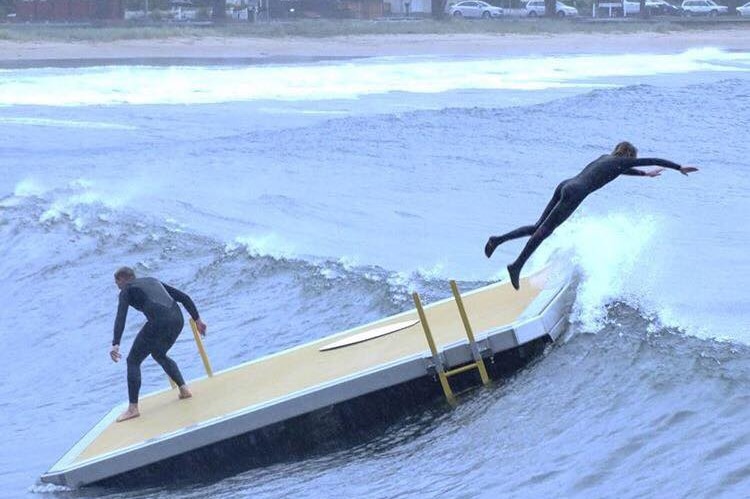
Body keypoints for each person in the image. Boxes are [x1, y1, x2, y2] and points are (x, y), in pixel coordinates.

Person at [484, 141, 699, 290]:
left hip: (565, 185)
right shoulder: (622, 162)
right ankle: (517, 266)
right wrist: (678, 167)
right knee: (545, 231)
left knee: (537, 227)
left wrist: (644, 174)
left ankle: (497, 240)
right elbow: (650, 159)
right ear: (629, 156)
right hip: (575, 192)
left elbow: (620, 170)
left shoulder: (606, 158)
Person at [110, 266, 207, 422]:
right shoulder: (152, 280)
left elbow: (121, 316)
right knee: (159, 353)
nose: (117, 286)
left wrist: (116, 344)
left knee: (133, 361)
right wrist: (197, 320)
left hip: (159, 322)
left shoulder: (126, 290)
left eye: (117, 282)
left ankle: (133, 408)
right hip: (177, 320)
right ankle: (184, 389)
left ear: (122, 279)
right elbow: (183, 297)